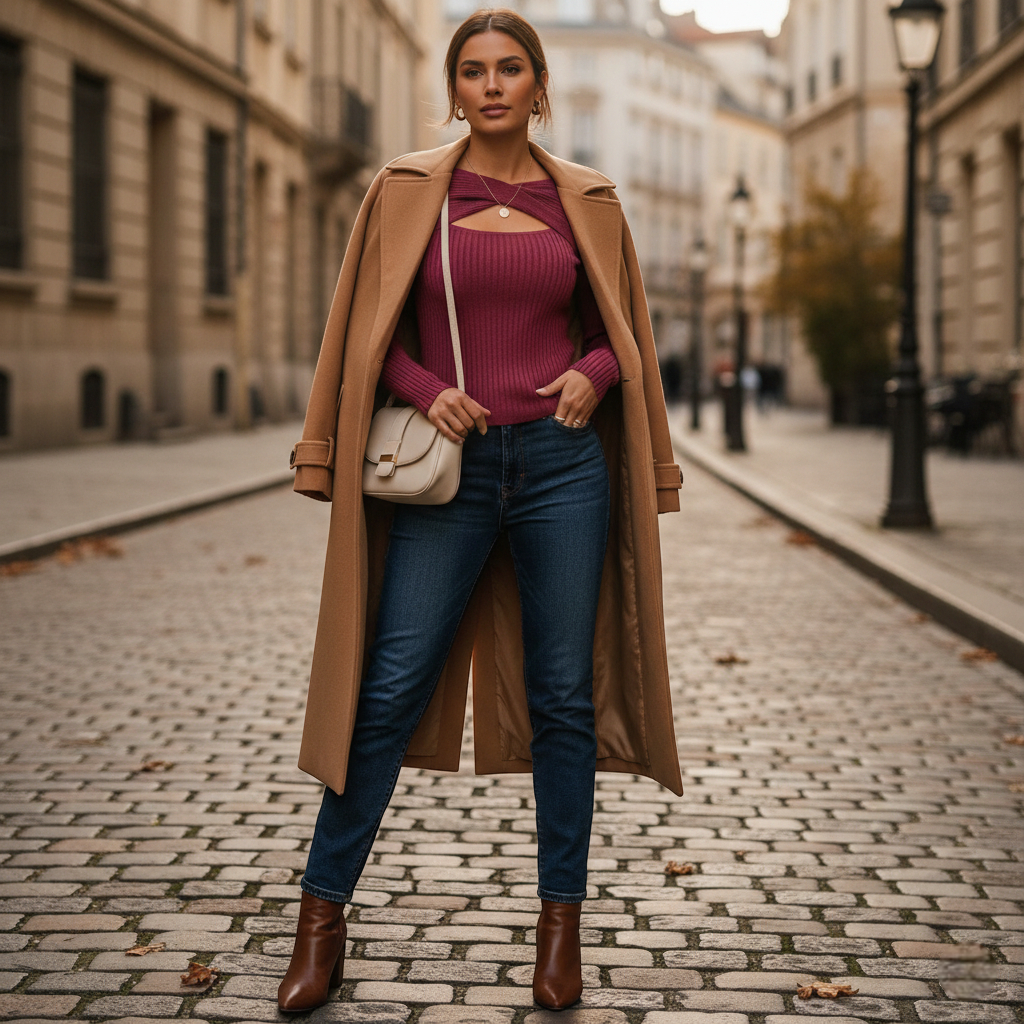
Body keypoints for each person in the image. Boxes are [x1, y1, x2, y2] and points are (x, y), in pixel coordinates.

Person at [281, 8, 684, 1014]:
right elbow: (373, 330)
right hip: (445, 474)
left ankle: (560, 931)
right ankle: (320, 917)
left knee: (560, 700)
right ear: (454, 87)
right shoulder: (407, 188)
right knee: (387, 688)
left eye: (511, 69)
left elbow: (617, 328)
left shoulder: (586, 200)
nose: (493, 84)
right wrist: (423, 391)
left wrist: (593, 372)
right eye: (473, 70)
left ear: (538, 86)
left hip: (560, 468)